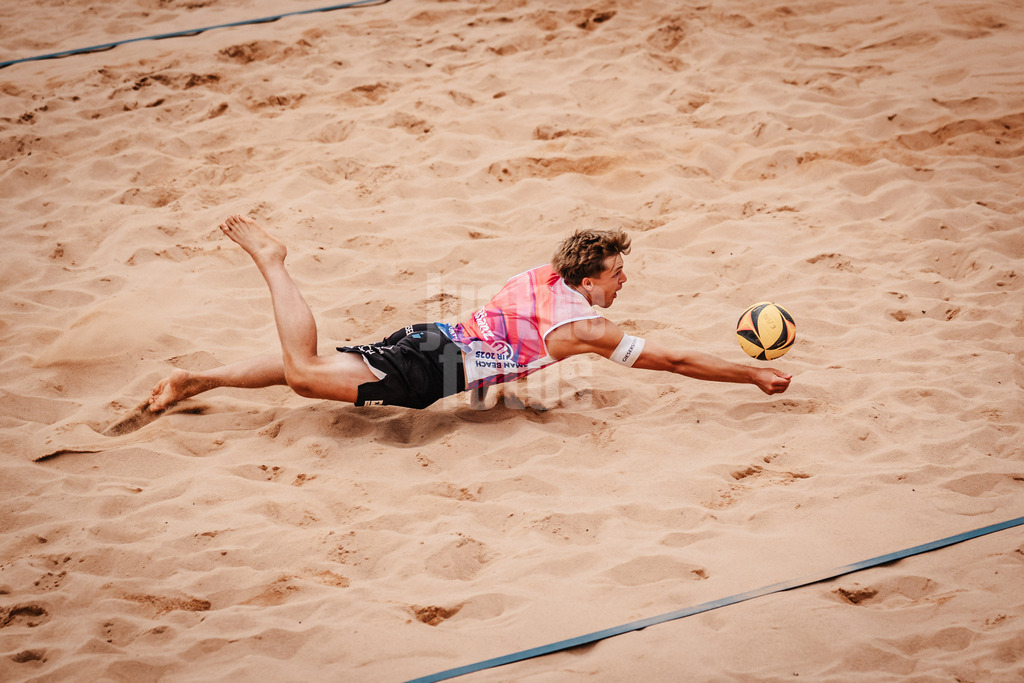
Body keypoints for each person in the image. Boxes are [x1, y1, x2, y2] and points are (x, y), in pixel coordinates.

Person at [147, 215, 792, 413]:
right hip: (433, 369)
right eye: (617, 273)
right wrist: (752, 373)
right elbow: (672, 359)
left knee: (318, 364)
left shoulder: (544, 274)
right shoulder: (583, 329)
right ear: (590, 279)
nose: (625, 281)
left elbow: (516, 333)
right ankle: (273, 262)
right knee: (305, 375)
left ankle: (193, 381)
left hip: (430, 341)